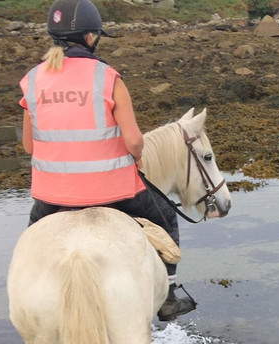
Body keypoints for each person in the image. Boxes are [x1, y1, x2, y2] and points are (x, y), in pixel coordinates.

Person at [18, 0, 195, 322]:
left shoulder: (31, 81)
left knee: (29, 248)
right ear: (90, 37)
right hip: (115, 192)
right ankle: (168, 296)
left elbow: (29, 145)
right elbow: (134, 141)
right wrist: (138, 157)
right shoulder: (107, 77)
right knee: (167, 217)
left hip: (51, 196)